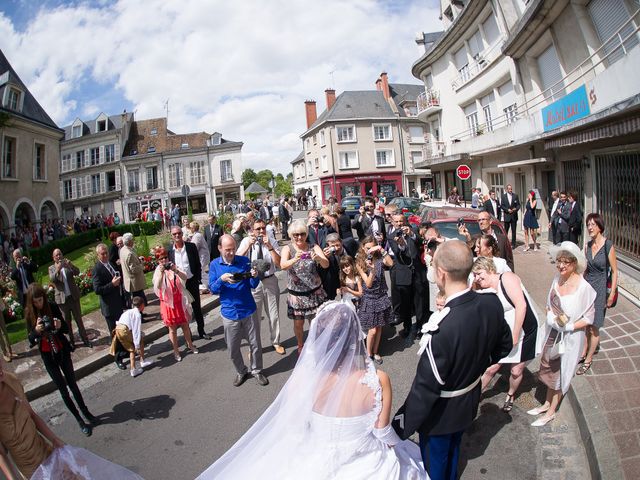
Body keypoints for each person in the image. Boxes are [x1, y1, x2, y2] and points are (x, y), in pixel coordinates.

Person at [196, 302, 426, 479]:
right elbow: (383, 432)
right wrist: (399, 447)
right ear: (355, 337)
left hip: (316, 451)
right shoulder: (377, 379)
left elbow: (296, 424)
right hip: (363, 457)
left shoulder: (304, 379)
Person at [392, 240, 512, 479]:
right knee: (454, 452)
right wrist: (475, 365)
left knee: (436, 468)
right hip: (468, 401)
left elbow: (424, 391)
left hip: (440, 416)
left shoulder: (441, 329)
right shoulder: (491, 302)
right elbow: (504, 346)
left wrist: (397, 427)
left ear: (441, 274)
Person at [528, 241, 596, 427]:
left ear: (575, 263)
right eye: (559, 261)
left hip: (570, 339)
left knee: (561, 374)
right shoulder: (556, 280)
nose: (561, 266)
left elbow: (589, 319)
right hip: (553, 335)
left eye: (566, 262)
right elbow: (549, 304)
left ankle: (550, 412)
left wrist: (570, 326)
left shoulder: (585, 288)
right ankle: (546, 404)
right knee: (550, 370)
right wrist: (550, 316)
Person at [24, 284, 99, 436]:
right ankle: (79, 420)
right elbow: (30, 339)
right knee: (63, 391)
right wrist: (36, 331)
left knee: (73, 384)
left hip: (61, 350)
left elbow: (65, 328)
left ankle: (86, 412)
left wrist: (59, 325)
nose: (39, 304)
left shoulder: (51, 306)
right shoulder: (29, 314)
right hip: (48, 356)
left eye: (41, 300)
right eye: (36, 301)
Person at [471, 257, 539, 412]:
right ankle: (473, 397)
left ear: (489, 269)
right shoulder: (486, 290)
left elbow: (521, 306)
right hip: (506, 332)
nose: (477, 278)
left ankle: (510, 394)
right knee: (491, 368)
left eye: (479, 273)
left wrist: (515, 336)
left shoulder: (507, 278)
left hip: (525, 330)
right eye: (474, 275)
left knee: (516, 371)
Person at [209, 235, 268, 386]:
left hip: (248, 309)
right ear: (220, 248)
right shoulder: (215, 265)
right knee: (233, 348)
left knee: (255, 344)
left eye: (233, 249)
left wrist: (255, 275)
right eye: (227, 249)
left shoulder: (243, 261)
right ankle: (241, 371)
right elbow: (213, 290)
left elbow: (253, 284)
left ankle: (256, 370)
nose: (231, 252)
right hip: (229, 313)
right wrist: (221, 279)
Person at [237, 219, 285, 355]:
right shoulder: (247, 241)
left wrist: (269, 246)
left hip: (270, 281)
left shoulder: (271, 241)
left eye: (263, 228)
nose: (261, 231)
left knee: (274, 315)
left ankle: (276, 342)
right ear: (252, 230)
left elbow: (279, 263)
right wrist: (248, 245)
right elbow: (237, 259)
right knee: (254, 318)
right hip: (253, 283)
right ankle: (254, 346)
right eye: (258, 229)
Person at [280, 220, 329, 354]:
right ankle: (300, 345)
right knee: (298, 324)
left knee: (317, 322)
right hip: (297, 296)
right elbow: (283, 265)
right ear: (291, 235)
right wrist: (295, 258)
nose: (299, 237)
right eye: (295, 235)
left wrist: (318, 258)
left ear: (306, 234)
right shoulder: (288, 248)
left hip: (315, 293)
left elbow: (326, 264)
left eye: (302, 234)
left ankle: (317, 344)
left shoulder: (313, 247)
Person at [578, 213, 618, 375]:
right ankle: (584, 350)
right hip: (587, 288)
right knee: (586, 323)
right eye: (588, 224)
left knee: (594, 327)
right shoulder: (587, 245)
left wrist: (611, 294)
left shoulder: (608, 245)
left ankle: (588, 359)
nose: (590, 227)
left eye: (593, 224)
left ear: (600, 226)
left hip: (601, 289)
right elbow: (585, 270)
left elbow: (615, 272)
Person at [387, 214, 429, 345]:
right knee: (405, 303)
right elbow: (398, 253)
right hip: (403, 273)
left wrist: (411, 234)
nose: (399, 224)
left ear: (405, 221)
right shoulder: (391, 236)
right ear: (393, 223)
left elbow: (420, 242)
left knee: (420, 302)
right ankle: (407, 327)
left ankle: (421, 327)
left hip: (418, 272)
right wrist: (401, 245)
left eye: (401, 221)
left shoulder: (413, 230)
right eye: (396, 222)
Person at [153, 246, 199, 362]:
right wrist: (162, 273)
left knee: (185, 325)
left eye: (165, 257)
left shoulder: (173, 266)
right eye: (161, 259)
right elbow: (157, 286)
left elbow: (185, 277)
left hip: (179, 301)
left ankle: (190, 345)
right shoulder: (158, 271)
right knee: (172, 329)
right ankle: (176, 351)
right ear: (158, 260)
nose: (164, 260)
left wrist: (175, 270)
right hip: (168, 304)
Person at [356, 236, 394, 365]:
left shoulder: (379, 257)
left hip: (381, 296)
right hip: (370, 298)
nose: (370, 251)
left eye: (372, 248)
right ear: (362, 248)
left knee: (379, 327)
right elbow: (368, 283)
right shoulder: (360, 262)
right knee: (372, 330)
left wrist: (382, 250)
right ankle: (369, 354)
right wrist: (372, 270)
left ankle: (376, 352)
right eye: (367, 249)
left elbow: (391, 263)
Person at [168, 226, 210, 340]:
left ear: (182, 234)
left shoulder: (191, 247)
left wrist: (197, 279)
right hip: (179, 283)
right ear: (171, 236)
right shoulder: (170, 250)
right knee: (183, 309)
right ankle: (188, 335)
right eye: (174, 234)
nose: (177, 236)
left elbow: (197, 264)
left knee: (196, 307)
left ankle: (201, 331)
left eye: (179, 233)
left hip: (192, 281)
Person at [92, 244, 126, 369]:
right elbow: (97, 289)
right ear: (98, 255)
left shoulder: (111, 263)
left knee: (122, 330)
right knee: (114, 334)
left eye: (106, 252)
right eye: (102, 254)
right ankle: (118, 358)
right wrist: (112, 285)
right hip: (109, 307)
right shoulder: (97, 269)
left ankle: (124, 351)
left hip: (118, 303)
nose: (105, 255)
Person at [48, 249, 91, 347]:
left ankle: (85, 339)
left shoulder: (67, 264)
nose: (59, 257)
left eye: (60, 254)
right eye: (56, 255)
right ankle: (72, 342)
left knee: (79, 320)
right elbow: (52, 279)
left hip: (73, 297)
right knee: (67, 323)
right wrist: (58, 269)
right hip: (63, 301)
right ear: (53, 258)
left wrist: (70, 265)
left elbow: (77, 272)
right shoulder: (51, 268)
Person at [110, 296, 154, 378]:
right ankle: (141, 361)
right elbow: (136, 330)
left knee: (131, 349)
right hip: (124, 330)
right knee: (136, 344)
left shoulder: (129, 311)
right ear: (141, 305)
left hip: (118, 329)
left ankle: (134, 369)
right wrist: (137, 344)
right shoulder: (137, 315)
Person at [119, 233, 148, 309]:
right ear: (129, 242)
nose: (133, 241)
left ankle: (140, 314)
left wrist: (138, 259)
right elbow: (133, 269)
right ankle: (139, 316)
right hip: (134, 282)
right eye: (132, 240)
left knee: (137, 299)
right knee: (138, 300)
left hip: (129, 280)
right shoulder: (129, 253)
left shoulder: (122, 250)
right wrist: (142, 265)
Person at [319, 233, 350, 302]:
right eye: (333, 246)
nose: (336, 248)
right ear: (328, 246)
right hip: (333, 284)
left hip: (349, 281)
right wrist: (325, 258)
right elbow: (322, 271)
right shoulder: (326, 254)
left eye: (338, 245)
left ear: (341, 242)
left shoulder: (350, 245)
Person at [189, 222, 211, 293]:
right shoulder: (197, 235)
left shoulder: (197, 236)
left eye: (190, 227)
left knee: (202, 271)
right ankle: (205, 285)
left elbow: (194, 247)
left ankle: (206, 285)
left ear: (193, 228)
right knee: (202, 271)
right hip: (203, 256)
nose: (190, 229)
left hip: (202, 257)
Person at [501, 184, 520, 249]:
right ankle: (505, 243)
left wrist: (516, 209)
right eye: (509, 189)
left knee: (514, 231)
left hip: (514, 216)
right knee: (505, 231)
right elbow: (502, 206)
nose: (510, 190)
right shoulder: (503, 196)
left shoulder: (515, 196)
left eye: (511, 189)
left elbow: (518, 205)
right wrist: (507, 209)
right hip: (507, 216)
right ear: (507, 189)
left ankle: (513, 244)